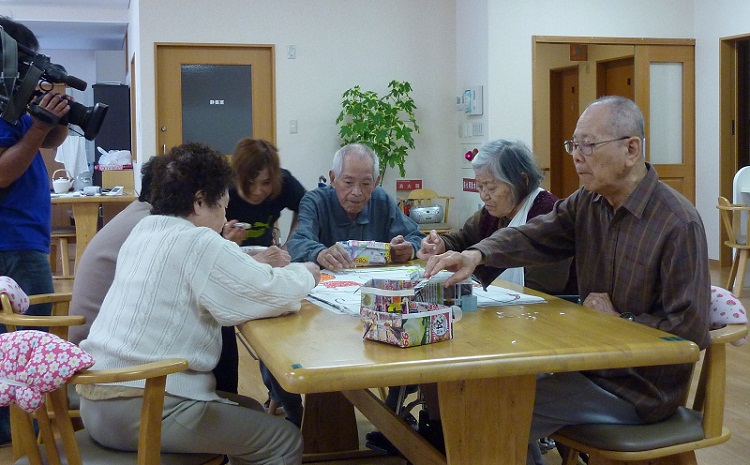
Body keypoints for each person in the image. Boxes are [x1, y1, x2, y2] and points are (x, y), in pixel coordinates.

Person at [423, 96, 711, 465]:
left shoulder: (677, 222)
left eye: (588, 145)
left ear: (631, 149)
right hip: (588, 365)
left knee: (491, 409)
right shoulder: (589, 203)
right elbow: (534, 234)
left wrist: (619, 322)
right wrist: (475, 255)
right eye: (573, 144)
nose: (576, 155)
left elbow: (688, 331)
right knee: (481, 392)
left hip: (638, 388)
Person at [78, 142, 321, 464]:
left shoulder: (146, 230)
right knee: (283, 439)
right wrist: (307, 273)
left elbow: (226, 267)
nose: (225, 218)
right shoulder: (196, 240)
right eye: (222, 207)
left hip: (97, 400)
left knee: (249, 408)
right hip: (141, 406)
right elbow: (268, 292)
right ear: (199, 201)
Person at [0, 16, 72, 446]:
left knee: (25, 345)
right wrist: (41, 125)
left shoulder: (14, 101)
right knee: (26, 349)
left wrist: (53, 114)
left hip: (23, 239)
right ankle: (19, 439)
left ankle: (21, 435)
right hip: (11, 243)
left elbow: (47, 141)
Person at [223, 137, 308, 426]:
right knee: (260, 336)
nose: (259, 191)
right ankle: (287, 404)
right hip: (231, 269)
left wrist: (290, 242)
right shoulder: (223, 190)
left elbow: (307, 206)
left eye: (266, 183)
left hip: (269, 265)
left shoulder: (284, 182)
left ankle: (284, 398)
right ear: (237, 176)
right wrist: (225, 239)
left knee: (276, 333)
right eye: (251, 183)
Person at [418, 138, 572, 293]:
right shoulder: (493, 212)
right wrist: (441, 244)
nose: (484, 196)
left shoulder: (547, 212)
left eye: (491, 188)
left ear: (522, 180)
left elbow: (544, 287)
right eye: (479, 186)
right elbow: (464, 239)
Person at [287, 143, 424, 268]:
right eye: (348, 182)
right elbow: (297, 243)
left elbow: (418, 237)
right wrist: (320, 253)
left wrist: (409, 249)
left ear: (376, 182)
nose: (357, 192)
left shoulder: (381, 200)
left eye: (366, 183)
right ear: (333, 178)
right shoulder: (315, 202)